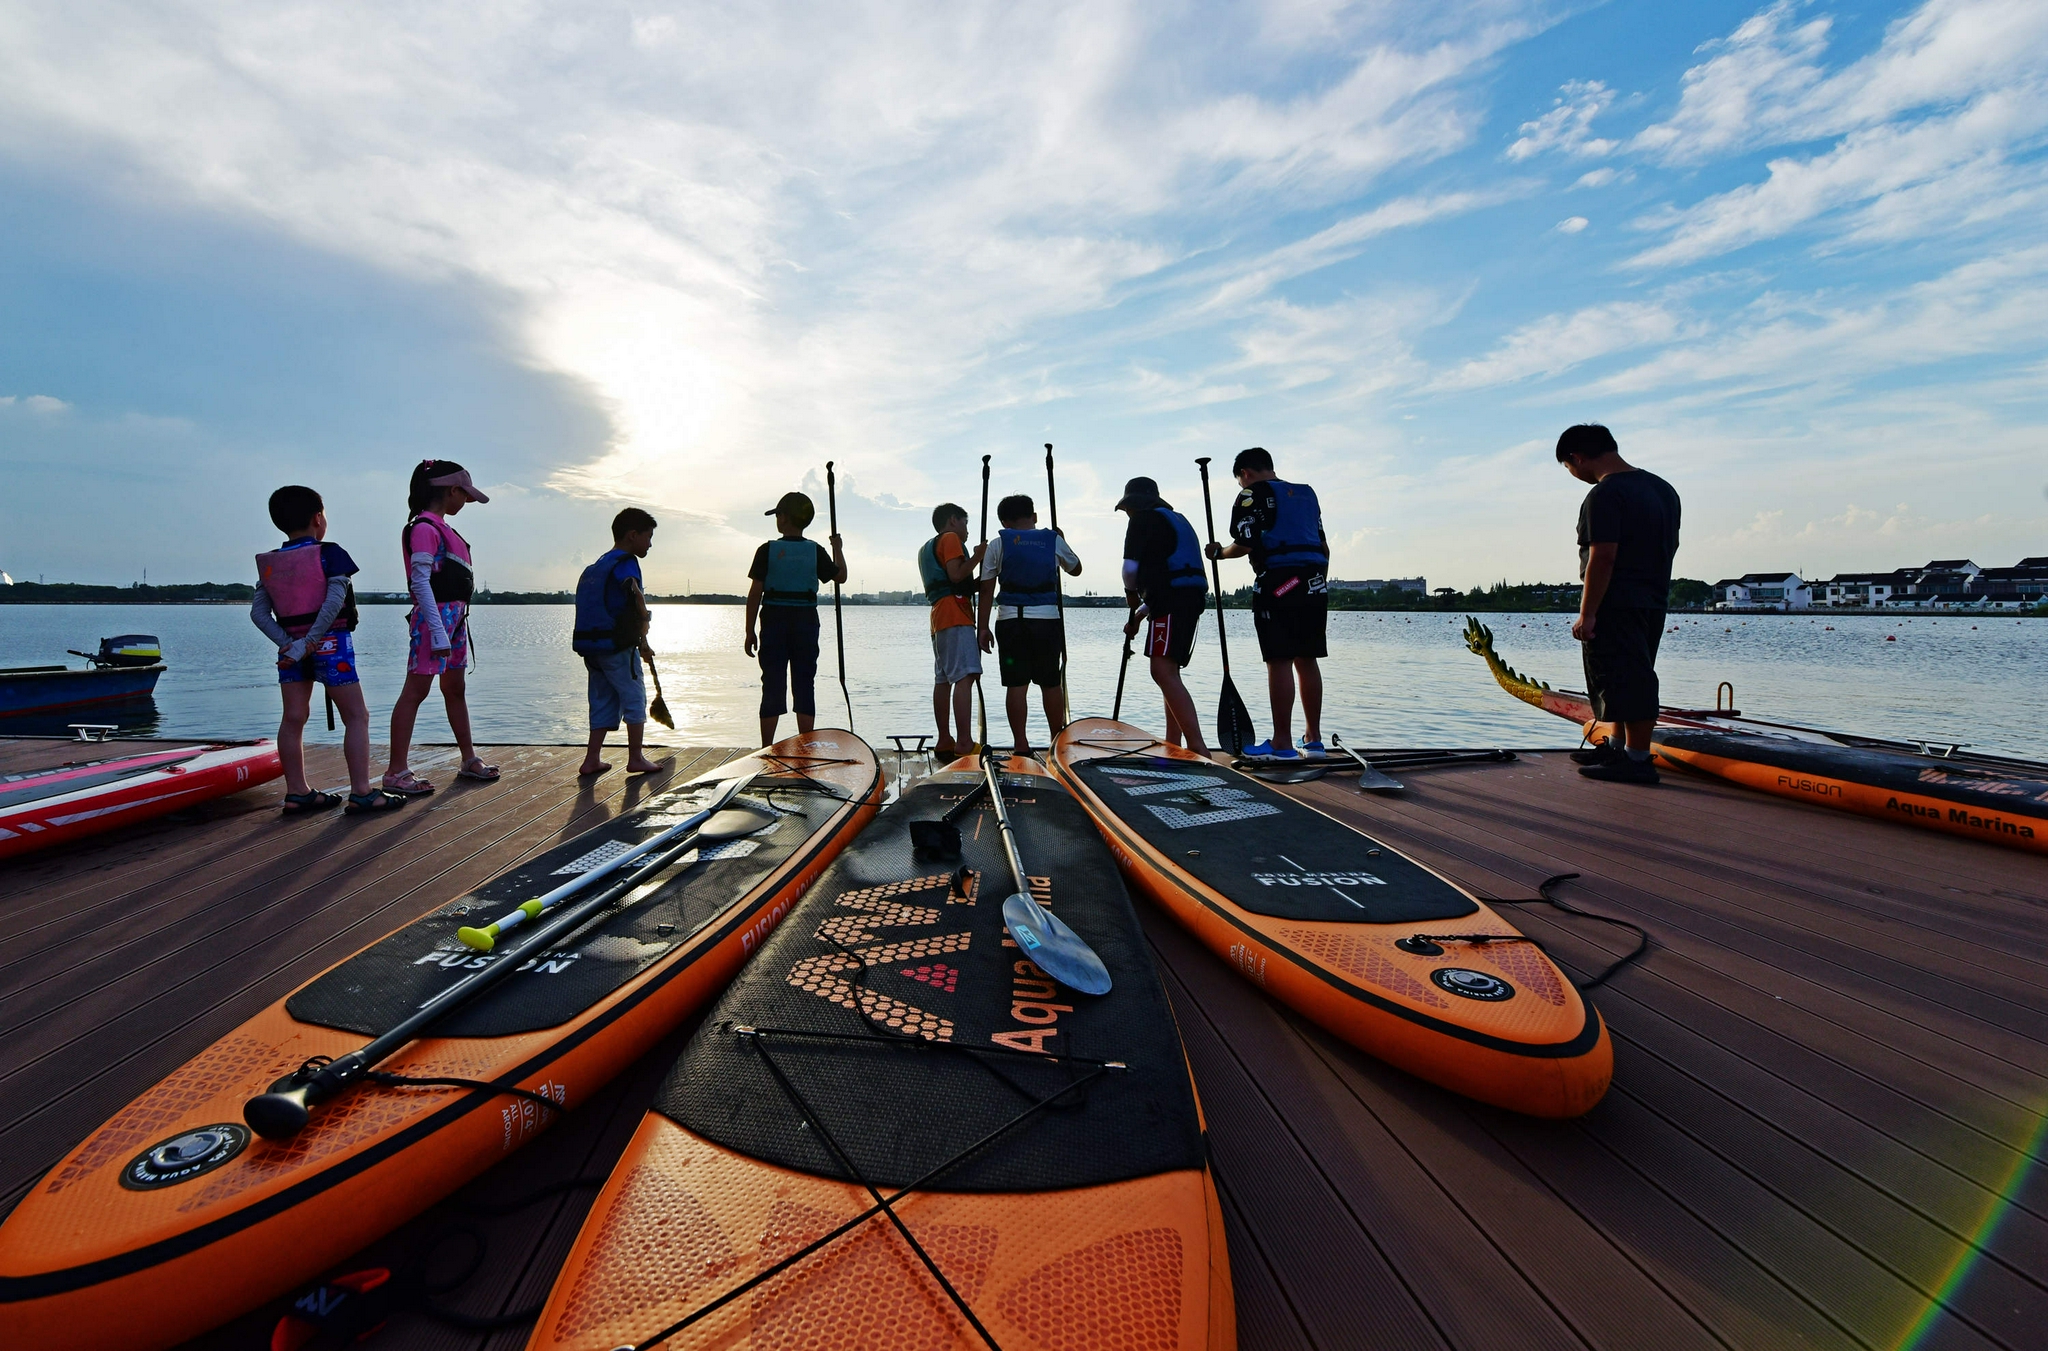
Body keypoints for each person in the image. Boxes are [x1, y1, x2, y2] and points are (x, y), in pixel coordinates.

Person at [252, 485, 401, 815]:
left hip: (290, 651)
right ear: (318, 519)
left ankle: (297, 792)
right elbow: (334, 601)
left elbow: (258, 613)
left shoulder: (271, 564)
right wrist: (311, 641)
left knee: (293, 718)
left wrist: (290, 644)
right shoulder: (330, 554)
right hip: (331, 646)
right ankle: (362, 792)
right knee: (357, 716)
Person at [1558, 424, 1681, 785]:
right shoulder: (1662, 489)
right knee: (1626, 677)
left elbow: (1603, 557)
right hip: (1652, 599)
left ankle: (1638, 760)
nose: (1573, 475)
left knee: (1625, 678)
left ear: (1577, 458)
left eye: (1568, 467)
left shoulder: (1605, 495)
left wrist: (1588, 612)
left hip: (1616, 600)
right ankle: (1616, 748)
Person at [1207, 447, 1328, 759]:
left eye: (1240, 482)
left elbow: (1245, 543)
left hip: (1278, 586)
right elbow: (1323, 544)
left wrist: (1219, 553)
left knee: (1279, 660)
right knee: (1307, 658)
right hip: (1314, 582)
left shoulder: (1252, 494)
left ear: (1245, 473)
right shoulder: (1306, 494)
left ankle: (1282, 743)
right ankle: (1313, 741)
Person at [384, 459, 495, 796]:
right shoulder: (424, 529)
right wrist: (436, 630)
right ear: (452, 490)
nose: (467, 502)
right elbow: (420, 583)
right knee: (416, 692)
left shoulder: (444, 528)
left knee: (455, 689)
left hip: (455, 619)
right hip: (435, 621)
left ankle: (468, 758)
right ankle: (395, 771)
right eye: (465, 495)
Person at [979, 494, 1082, 754]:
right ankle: (1055, 741)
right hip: (1046, 622)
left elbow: (987, 590)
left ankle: (1021, 745)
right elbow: (1076, 568)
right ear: (1034, 517)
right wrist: (1062, 539)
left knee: (1016, 685)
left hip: (1011, 622)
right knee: (1050, 683)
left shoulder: (997, 544)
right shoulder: (1052, 539)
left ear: (1004, 521)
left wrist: (982, 627)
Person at [1116, 476, 1211, 756]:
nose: (1128, 515)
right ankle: (1174, 743)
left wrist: (1130, 594)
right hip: (1187, 600)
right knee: (1169, 671)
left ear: (1134, 505)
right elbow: (1168, 577)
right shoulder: (1175, 518)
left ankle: (1197, 747)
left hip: (1172, 602)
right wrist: (1141, 614)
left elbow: (1130, 569)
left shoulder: (1142, 520)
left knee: (1161, 670)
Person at [745, 490, 847, 747]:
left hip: (774, 622)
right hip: (805, 622)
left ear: (784, 518)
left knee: (772, 683)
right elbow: (841, 576)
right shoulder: (816, 551)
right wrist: (838, 549)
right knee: (804, 682)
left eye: (778, 514)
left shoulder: (767, 550)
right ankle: (806, 744)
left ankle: (766, 747)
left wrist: (749, 631)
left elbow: (755, 593)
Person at [573, 508, 661, 778]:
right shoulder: (627, 561)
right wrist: (644, 632)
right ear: (633, 535)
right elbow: (635, 594)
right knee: (635, 697)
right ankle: (636, 757)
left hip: (593, 647)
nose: (650, 543)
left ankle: (592, 760)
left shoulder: (600, 563)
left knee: (601, 699)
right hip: (618, 647)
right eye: (648, 537)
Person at [917, 503, 984, 757]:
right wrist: (978, 556)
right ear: (953, 520)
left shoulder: (927, 547)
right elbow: (956, 575)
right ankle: (964, 743)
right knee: (964, 677)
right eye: (965, 523)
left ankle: (945, 739)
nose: (967, 531)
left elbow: (955, 580)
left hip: (938, 616)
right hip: (956, 616)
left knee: (943, 679)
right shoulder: (951, 538)